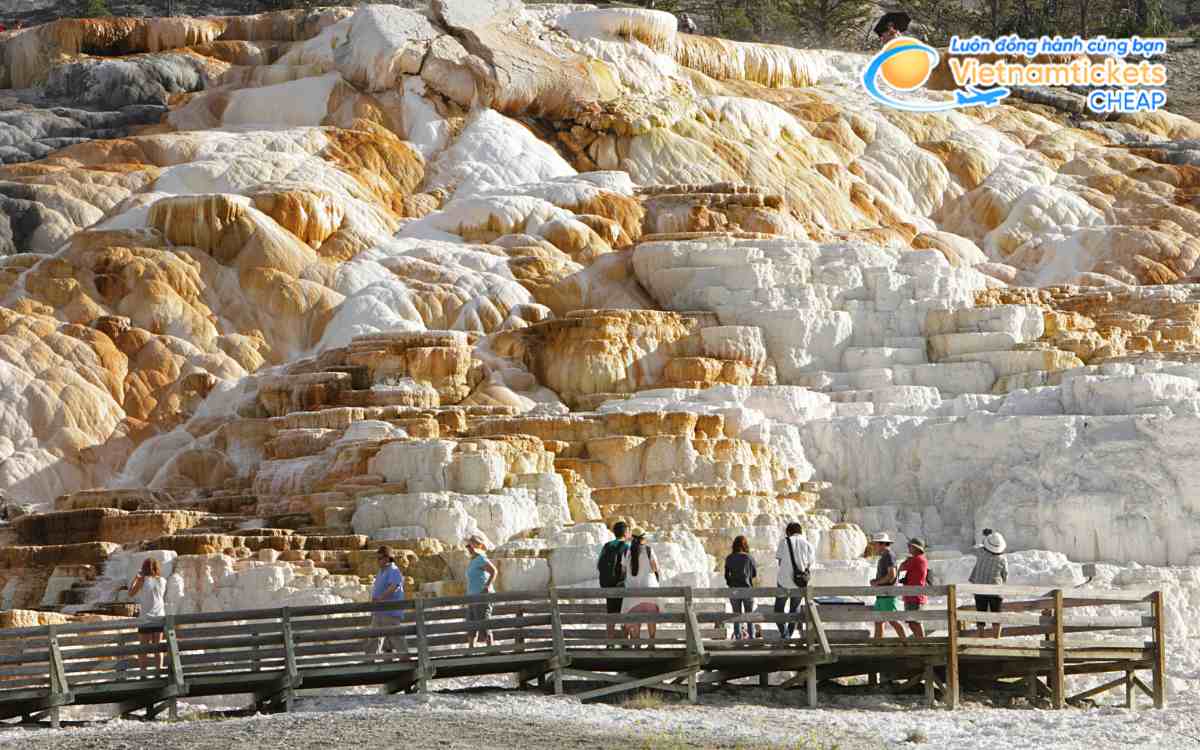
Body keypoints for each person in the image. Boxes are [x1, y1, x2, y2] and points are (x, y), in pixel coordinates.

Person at [366, 545, 410, 659]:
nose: (378, 561)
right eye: (377, 558)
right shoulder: (381, 571)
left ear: (387, 558)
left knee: (396, 638)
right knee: (374, 637)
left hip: (390, 611)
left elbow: (394, 586)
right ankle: (369, 661)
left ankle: (406, 660)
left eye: (380, 558)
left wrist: (380, 598)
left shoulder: (393, 570)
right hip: (379, 611)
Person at [774, 522, 815, 640]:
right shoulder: (808, 544)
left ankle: (784, 634)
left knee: (778, 609)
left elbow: (780, 562)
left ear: (788, 532)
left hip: (783, 581)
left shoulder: (784, 542)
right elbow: (809, 564)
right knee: (794, 609)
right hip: (800, 583)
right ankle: (790, 635)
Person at [621, 528, 661, 645]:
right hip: (650, 591)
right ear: (643, 538)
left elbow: (623, 570)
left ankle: (637, 645)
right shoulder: (648, 550)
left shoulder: (627, 552)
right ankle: (651, 644)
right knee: (651, 619)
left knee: (635, 621)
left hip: (632, 593)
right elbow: (655, 568)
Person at [128, 558, 166, 675]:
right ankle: (159, 673)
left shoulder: (142, 580)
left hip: (146, 618)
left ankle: (143, 675)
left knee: (143, 649)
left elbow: (130, 593)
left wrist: (136, 578)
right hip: (159, 617)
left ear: (144, 568)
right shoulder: (162, 580)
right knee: (157, 648)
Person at [969, 529, 1008, 638]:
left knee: (981, 616)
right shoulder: (1002, 559)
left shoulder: (981, 552)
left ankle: (981, 638)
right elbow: (1005, 575)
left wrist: (986, 538)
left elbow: (974, 548)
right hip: (995, 590)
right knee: (996, 616)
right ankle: (996, 639)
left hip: (979, 589)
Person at [597, 520, 630, 642]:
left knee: (611, 614)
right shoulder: (627, 547)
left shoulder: (607, 546)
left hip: (608, 586)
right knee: (625, 613)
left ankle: (610, 642)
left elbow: (599, 565)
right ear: (625, 533)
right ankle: (625, 642)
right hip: (622, 585)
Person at [868, 533, 906, 640]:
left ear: (882, 544)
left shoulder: (889, 555)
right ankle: (878, 644)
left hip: (887, 594)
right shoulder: (885, 556)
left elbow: (892, 575)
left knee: (892, 620)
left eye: (875, 544)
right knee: (879, 621)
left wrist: (877, 582)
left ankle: (906, 642)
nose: (874, 547)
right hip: (882, 594)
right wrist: (877, 582)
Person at [465, 534, 498, 648]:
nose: (468, 548)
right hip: (472, 597)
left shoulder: (481, 558)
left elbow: (494, 571)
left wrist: (487, 586)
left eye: (470, 546)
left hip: (481, 596)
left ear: (477, 546)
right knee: (471, 624)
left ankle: (491, 649)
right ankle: (470, 650)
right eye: (467, 546)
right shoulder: (472, 560)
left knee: (484, 622)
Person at [724, 535, 758, 640]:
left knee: (736, 616)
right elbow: (754, 574)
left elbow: (726, 575)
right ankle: (752, 638)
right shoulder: (749, 557)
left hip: (734, 590)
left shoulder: (729, 558)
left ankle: (738, 639)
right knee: (749, 616)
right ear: (745, 545)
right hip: (747, 589)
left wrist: (731, 583)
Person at [898, 537, 929, 638]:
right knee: (914, 623)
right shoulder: (920, 559)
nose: (908, 548)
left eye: (910, 546)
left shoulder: (915, 560)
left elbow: (901, 575)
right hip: (914, 596)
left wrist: (904, 563)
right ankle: (920, 643)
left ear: (916, 548)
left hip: (914, 597)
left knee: (915, 623)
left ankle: (922, 644)